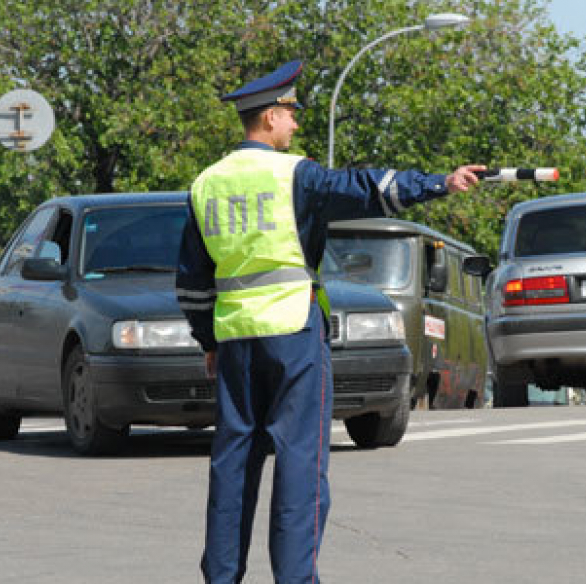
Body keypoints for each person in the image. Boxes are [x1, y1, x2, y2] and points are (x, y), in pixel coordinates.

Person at [176, 59, 485, 584]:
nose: (296, 125)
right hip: (293, 332)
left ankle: (222, 577)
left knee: (233, 462)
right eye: (292, 114)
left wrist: (209, 339)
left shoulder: (207, 183)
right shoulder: (293, 173)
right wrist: (440, 183)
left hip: (234, 339)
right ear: (271, 117)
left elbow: (191, 281)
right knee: (299, 463)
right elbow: (368, 186)